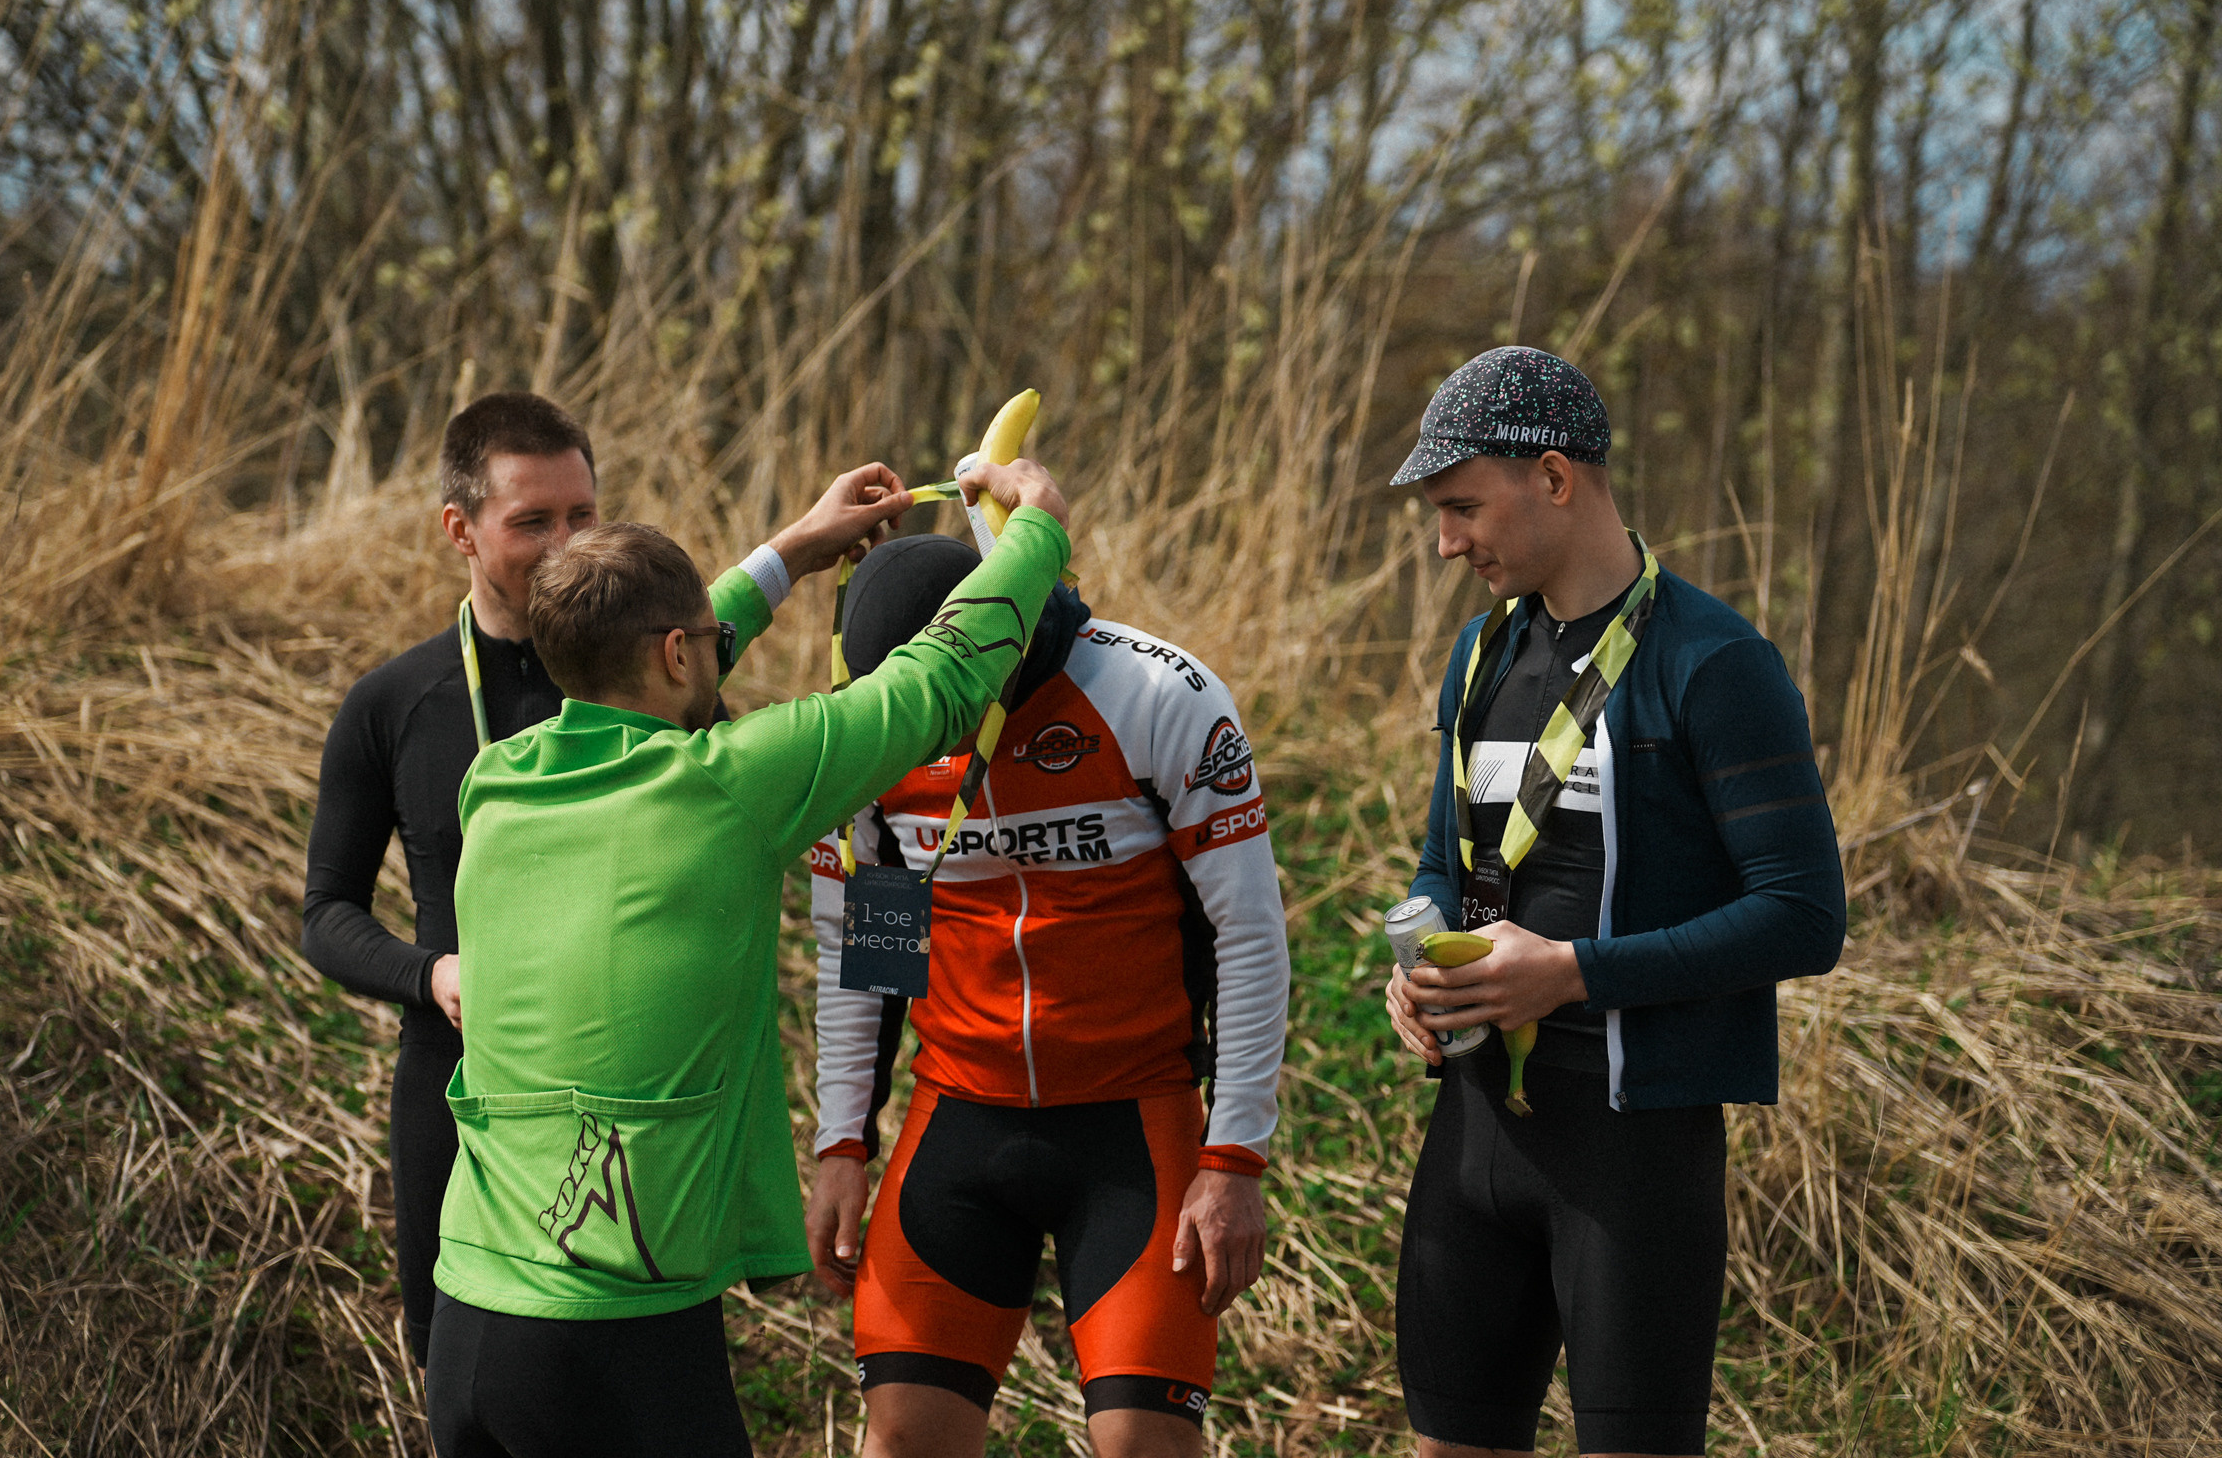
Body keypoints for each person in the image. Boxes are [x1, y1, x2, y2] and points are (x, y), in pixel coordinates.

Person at [428, 460, 1075, 1458]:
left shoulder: (499, 778)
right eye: (700, 644)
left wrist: (794, 553)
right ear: (676, 653)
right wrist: (1037, 530)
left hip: (468, 1312)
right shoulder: (727, 786)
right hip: (613, 1336)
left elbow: (632, 652)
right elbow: (939, 679)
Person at [1380, 347, 1845, 1458]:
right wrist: (1421, 957)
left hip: (1633, 1158)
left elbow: (1802, 913)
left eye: (1461, 507)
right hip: (1474, 1132)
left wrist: (1572, 972)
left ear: (1553, 477)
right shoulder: (1482, 651)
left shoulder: (1713, 660)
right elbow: (1448, 859)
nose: (1446, 543)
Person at [802, 536, 1292, 1458]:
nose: (919, 731)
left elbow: (1251, 935)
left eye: (935, 704)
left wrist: (1235, 1159)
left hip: (1133, 1125)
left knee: (1142, 1443)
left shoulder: (1154, 694)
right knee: (903, 1437)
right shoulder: (878, 725)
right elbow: (872, 950)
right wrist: (840, 1146)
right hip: (959, 1117)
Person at [303, 391, 616, 1370]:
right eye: (533, 521)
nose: (566, 545)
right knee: (462, 1380)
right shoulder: (393, 703)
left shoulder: (645, 679)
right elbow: (327, 913)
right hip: (456, 1089)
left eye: (582, 514)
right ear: (460, 529)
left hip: (617, 1092)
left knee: (612, 1383)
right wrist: (433, 975)